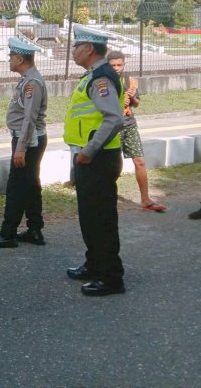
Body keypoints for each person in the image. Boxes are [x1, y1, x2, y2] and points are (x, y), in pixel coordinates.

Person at [64, 26, 126, 297]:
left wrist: (88, 151)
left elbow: (114, 118)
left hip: (98, 158)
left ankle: (111, 277)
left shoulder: (101, 78)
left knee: (101, 220)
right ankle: (95, 264)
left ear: (89, 48)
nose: (73, 51)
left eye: (77, 46)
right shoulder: (92, 75)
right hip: (91, 158)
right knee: (90, 218)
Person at [0, 38, 48, 248]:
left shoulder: (32, 83)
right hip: (28, 138)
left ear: (20, 58)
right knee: (30, 185)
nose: (9, 60)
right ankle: (34, 229)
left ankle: (8, 234)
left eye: (11, 56)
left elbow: (29, 118)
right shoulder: (28, 79)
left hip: (27, 140)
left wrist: (20, 148)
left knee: (16, 186)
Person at [107, 51, 166, 212]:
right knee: (112, 165)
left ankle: (145, 199)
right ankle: (107, 199)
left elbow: (137, 104)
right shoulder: (104, 81)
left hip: (130, 124)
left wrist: (132, 98)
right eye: (113, 65)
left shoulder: (128, 79)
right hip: (113, 127)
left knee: (140, 161)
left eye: (119, 65)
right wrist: (119, 100)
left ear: (124, 64)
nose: (117, 68)